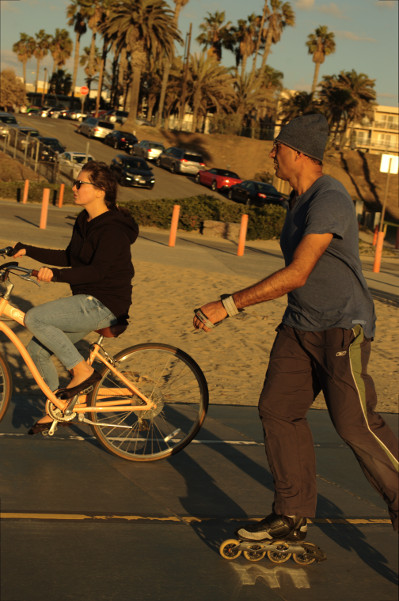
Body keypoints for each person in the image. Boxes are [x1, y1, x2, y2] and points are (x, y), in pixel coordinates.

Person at [193, 114, 398, 539]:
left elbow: (299, 272)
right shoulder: (296, 200)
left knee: (353, 424)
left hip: (342, 326)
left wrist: (228, 305)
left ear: (299, 153)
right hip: (299, 326)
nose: (271, 153)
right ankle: (292, 513)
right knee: (277, 412)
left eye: (278, 147)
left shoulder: (331, 198)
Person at [12, 161, 139, 435]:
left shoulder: (113, 230)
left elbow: (97, 272)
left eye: (80, 183)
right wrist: (27, 249)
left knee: (35, 317)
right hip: (85, 300)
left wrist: (55, 276)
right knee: (36, 350)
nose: (74, 187)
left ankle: (82, 372)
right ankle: (59, 406)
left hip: (105, 303)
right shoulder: (84, 220)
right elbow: (71, 257)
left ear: (100, 191)